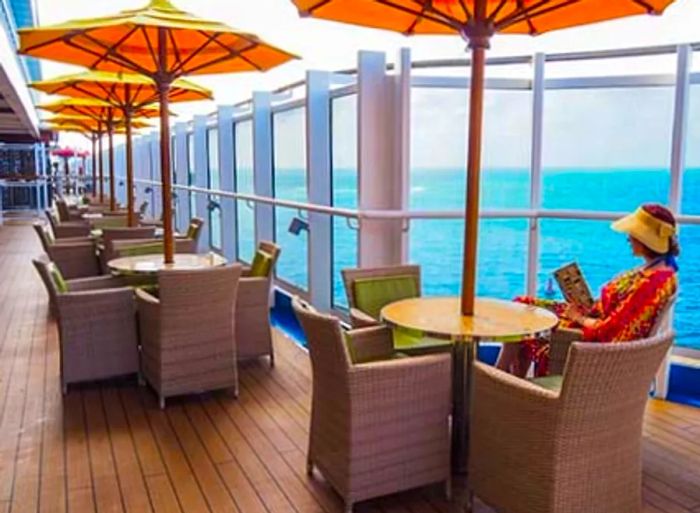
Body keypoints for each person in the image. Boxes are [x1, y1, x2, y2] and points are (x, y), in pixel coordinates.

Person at [497, 203, 679, 377]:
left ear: (644, 239)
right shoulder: (657, 271)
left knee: (528, 332)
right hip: (591, 317)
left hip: (589, 342)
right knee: (522, 305)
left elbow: (609, 331)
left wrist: (578, 317)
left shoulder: (650, 285)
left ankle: (502, 377)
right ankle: (510, 380)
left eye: (632, 234)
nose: (628, 238)